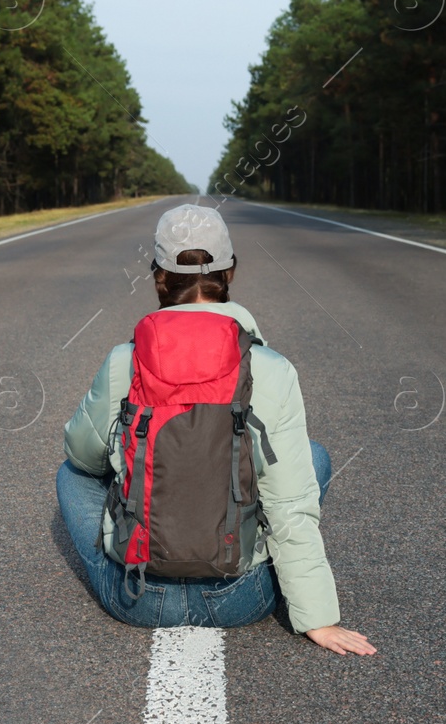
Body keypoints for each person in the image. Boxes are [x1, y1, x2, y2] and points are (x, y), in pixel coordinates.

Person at [57, 204, 376, 655]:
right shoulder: (270, 368)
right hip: (241, 600)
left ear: (158, 276)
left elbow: (82, 455)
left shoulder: (124, 361)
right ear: (230, 273)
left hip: (137, 598)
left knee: (71, 474)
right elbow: (289, 503)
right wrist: (318, 619)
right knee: (311, 457)